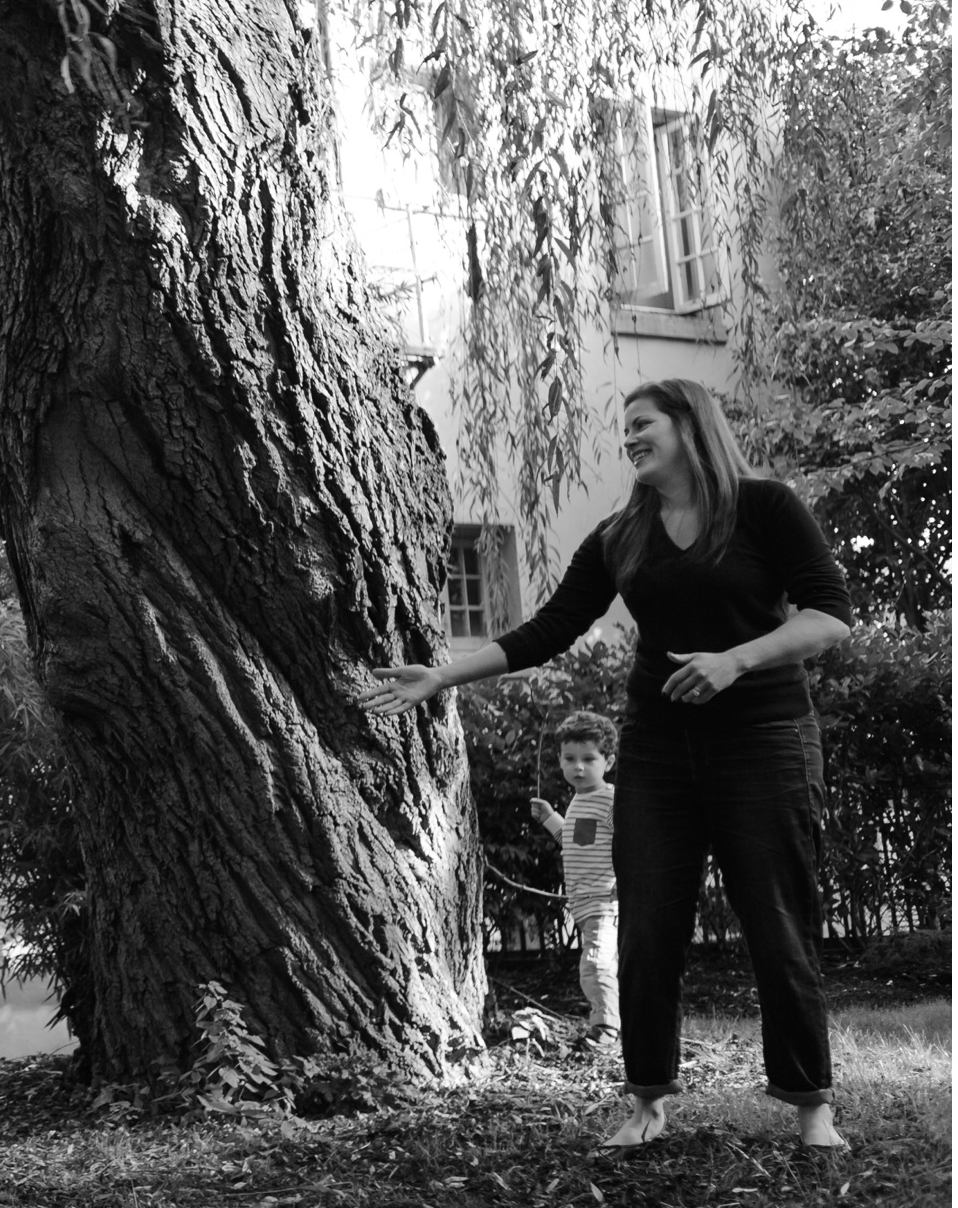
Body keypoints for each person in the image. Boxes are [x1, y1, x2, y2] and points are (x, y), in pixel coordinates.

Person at [360, 378, 854, 1149]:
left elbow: (830, 614)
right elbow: (551, 626)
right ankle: (648, 1099)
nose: (628, 437)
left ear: (691, 425)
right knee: (648, 924)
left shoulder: (765, 507)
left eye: (642, 423)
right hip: (658, 749)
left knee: (777, 921)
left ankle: (809, 1103)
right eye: (623, 427)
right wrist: (442, 675)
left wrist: (737, 660)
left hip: (765, 738)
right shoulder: (622, 534)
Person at [529, 710, 621, 1050]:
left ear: (608, 761)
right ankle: (614, 1022)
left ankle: (606, 1031)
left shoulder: (610, 799)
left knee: (595, 965)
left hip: (605, 900)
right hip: (585, 903)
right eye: (570, 759)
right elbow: (574, 841)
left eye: (588, 759)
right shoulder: (581, 800)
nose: (578, 767)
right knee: (602, 965)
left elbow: (633, 840)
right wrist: (552, 818)